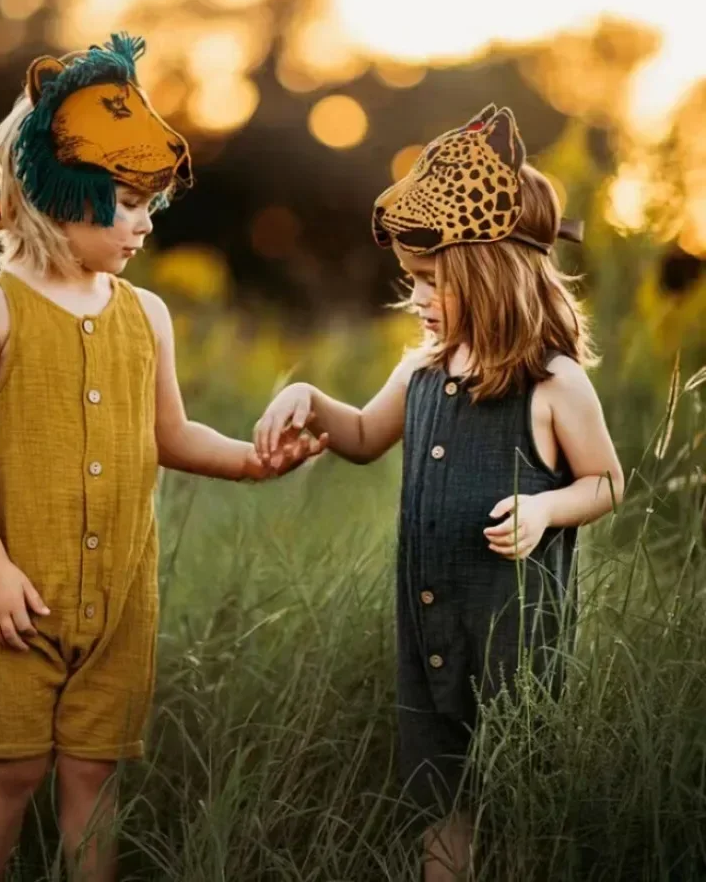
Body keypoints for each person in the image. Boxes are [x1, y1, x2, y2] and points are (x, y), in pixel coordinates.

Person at [0, 33, 324, 882]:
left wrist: (254, 462)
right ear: (58, 190)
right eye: (128, 200)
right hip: (22, 598)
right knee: (11, 769)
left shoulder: (146, 315)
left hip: (122, 604)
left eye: (154, 203)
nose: (146, 222)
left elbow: (171, 434)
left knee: (93, 776)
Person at [253, 104, 624, 880]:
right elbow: (359, 438)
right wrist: (311, 400)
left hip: (513, 639)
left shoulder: (552, 383)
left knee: (514, 797)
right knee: (439, 797)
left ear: (490, 277)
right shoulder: (420, 368)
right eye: (412, 280)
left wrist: (548, 508)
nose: (417, 298)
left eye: (432, 281)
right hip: (428, 634)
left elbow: (607, 481)